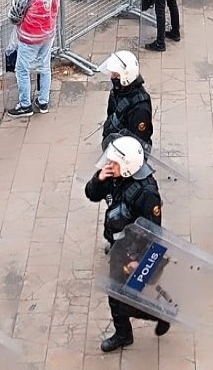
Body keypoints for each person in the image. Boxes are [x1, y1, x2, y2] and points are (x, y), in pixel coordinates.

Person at [84, 135, 168, 352]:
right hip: (119, 245)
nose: (109, 165)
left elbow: (152, 232)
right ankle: (124, 333)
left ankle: (158, 314)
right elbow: (91, 194)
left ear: (128, 166)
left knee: (123, 299)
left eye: (114, 162)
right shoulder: (114, 176)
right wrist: (99, 178)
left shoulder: (146, 193)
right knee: (117, 295)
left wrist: (138, 261)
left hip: (132, 252)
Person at [6, 0, 59, 117]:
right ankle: (43, 102)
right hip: (48, 35)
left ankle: (25, 105)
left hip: (29, 38)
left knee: (22, 70)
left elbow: (14, 16)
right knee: (44, 67)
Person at [98, 50, 154, 152]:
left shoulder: (140, 108)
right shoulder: (118, 91)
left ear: (126, 76)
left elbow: (139, 141)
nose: (112, 77)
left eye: (116, 75)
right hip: (116, 143)